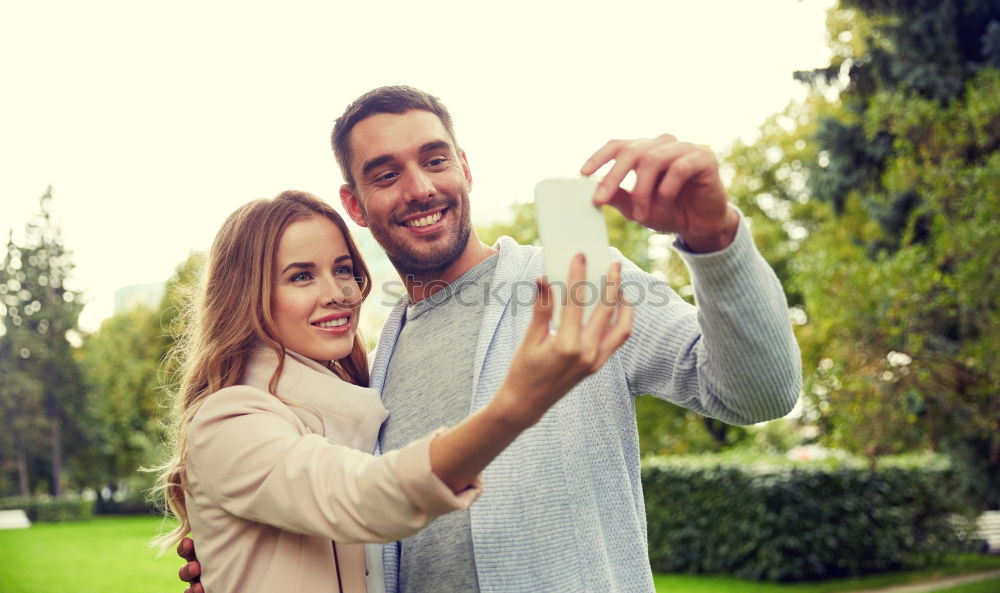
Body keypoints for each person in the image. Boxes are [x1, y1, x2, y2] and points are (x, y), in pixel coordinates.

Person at [179, 86, 802, 593]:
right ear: (356, 204)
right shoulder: (376, 354)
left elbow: (758, 395)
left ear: (465, 167)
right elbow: (355, 500)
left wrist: (717, 239)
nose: (420, 187)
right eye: (386, 173)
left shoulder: (572, 279)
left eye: (434, 159)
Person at [157, 189, 632, 593]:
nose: (339, 292)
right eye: (301, 275)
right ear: (246, 294)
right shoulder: (229, 420)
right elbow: (362, 496)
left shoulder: (356, 403)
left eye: (343, 269)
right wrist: (515, 406)